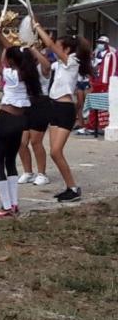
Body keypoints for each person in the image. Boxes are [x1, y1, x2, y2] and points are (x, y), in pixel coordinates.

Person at [0, 31, 41, 217]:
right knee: (10, 161)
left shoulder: (10, 74)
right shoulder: (28, 72)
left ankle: (5, 206)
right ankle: (13, 204)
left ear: (12, 61)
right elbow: (12, 52)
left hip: (6, 118)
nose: (4, 56)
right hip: (21, 120)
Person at [35, 24, 93, 202]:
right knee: (55, 152)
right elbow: (45, 62)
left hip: (65, 110)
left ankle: (73, 187)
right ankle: (70, 187)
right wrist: (31, 48)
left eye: (59, 47)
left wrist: (38, 27)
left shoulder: (72, 61)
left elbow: (51, 46)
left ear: (67, 49)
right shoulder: (60, 64)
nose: (55, 49)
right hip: (54, 107)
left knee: (55, 151)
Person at [18, 45, 53, 186]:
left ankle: (42, 174)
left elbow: (47, 65)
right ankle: (28, 172)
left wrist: (34, 49)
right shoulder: (25, 70)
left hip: (42, 104)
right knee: (21, 142)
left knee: (36, 141)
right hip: (27, 104)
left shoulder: (42, 69)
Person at [78, 35, 116, 135]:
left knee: (104, 107)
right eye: (99, 42)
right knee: (92, 106)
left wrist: (110, 84)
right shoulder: (96, 53)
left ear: (107, 44)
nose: (100, 44)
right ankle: (91, 126)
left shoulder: (111, 54)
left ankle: (102, 127)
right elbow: (93, 67)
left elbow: (113, 70)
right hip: (95, 82)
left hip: (105, 83)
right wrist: (91, 79)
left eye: (102, 43)